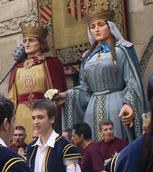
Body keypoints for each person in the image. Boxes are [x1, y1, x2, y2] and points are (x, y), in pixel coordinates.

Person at [57, 8, 146, 143]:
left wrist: (129, 103)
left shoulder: (122, 51)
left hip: (116, 106)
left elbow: (132, 81)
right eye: (92, 27)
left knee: (116, 144)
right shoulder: (87, 57)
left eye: (101, 25)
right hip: (92, 110)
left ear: (110, 26)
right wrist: (67, 95)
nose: (96, 30)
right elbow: (85, 88)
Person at [8, 22, 67, 138]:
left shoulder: (51, 63)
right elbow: (12, 97)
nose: (27, 44)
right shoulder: (17, 68)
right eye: (25, 41)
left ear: (41, 43)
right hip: (21, 114)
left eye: (31, 40)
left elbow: (58, 93)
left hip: (42, 112)